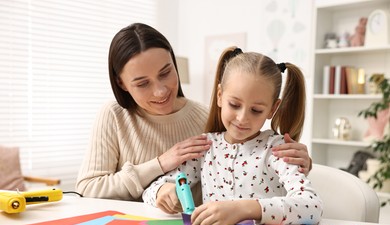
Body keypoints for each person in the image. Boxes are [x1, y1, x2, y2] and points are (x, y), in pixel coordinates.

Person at [76, 23, 312, 204]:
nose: (160, 90)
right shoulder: (114, 116)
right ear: (122, 83)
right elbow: (88, 188)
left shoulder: (208, 117)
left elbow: (247, 158)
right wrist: (159, 164)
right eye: (142, 83)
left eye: (165, 72)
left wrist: (302, 162)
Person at [143, 47, 322, 225]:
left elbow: (312, 206)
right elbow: (149, 192)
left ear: (272, 109)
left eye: (256, 110)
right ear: (220, 96)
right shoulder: (206, 147)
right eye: (234, 104)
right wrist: (162, 192)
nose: (242, 118)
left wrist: (244, 209)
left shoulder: (276, 150)